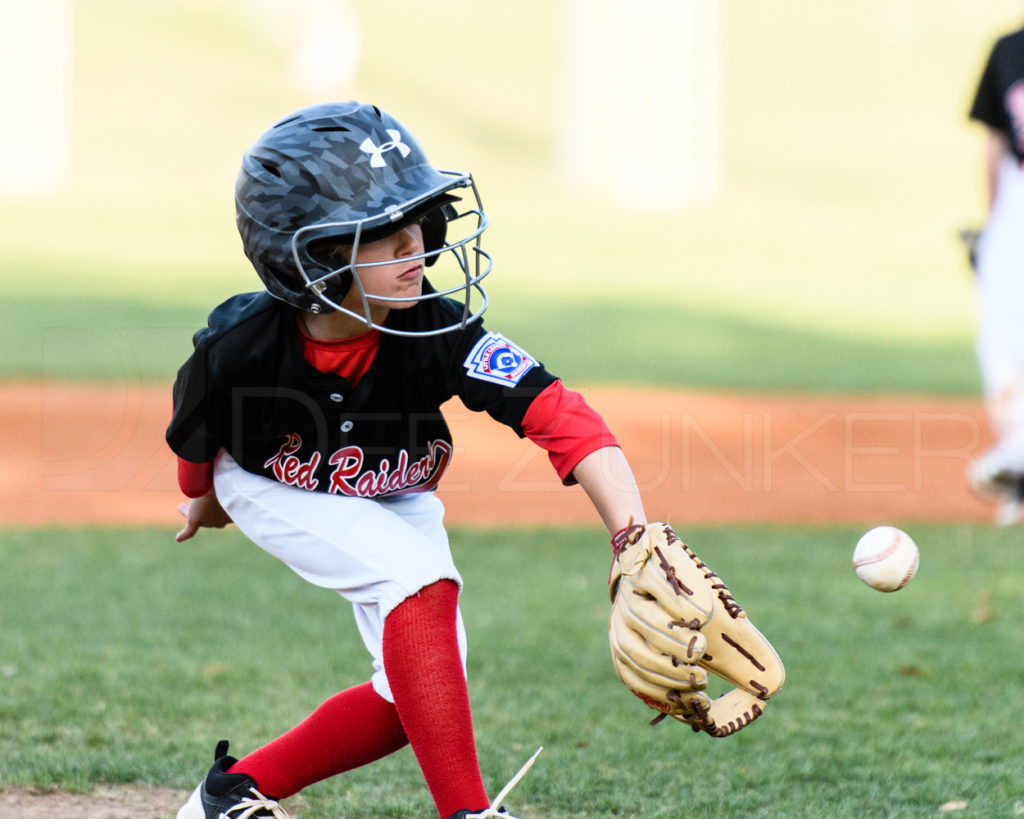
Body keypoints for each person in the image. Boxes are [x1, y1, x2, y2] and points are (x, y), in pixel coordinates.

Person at [166, 101, 649, 819]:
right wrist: (203, 502)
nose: (417, 250)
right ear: (317, 255)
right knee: (418, 580)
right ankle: (469, 813)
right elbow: (198, 441)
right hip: (271, 482)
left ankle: (232, 792)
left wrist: (634, 533)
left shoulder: (437, 328)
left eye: (419, 228)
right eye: (387, 238)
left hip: (392, 490)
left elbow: (559, 414)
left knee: (414, 693)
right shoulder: (239, 348)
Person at [967, 23, 1024, 524]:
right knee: (1001, 336)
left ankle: (1018, 457)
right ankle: (1018, 458)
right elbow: (996, 143)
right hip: (1017, 199)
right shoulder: (1009, 49)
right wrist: (993, 231)